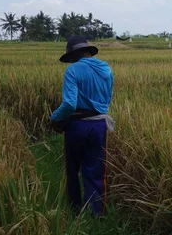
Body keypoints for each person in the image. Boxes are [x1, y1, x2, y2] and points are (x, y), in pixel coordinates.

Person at [50, 35, 115, 217]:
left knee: (73, 168)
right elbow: (107, 99)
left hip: (77, 125)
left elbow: (70, 104)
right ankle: (95, 214)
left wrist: (54, 117)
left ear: (74, 55)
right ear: (88, 51)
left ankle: (75, 209)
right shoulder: (106, 70)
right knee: (95, 169)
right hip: (100, 125)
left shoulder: (72, 71)